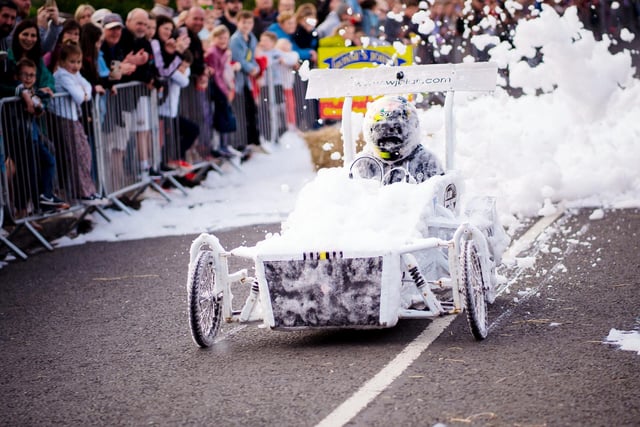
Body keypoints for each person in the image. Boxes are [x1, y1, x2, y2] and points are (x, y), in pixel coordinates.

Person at [9, 58, 68, 212]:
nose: (28, 78)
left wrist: (42, 94)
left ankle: (45, 196)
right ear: (17, 76)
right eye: (25, 75)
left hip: (33, 137)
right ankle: (27, 208)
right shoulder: (18, 93)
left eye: (32, 75)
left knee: (48, 161)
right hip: (21, 138)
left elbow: (39, 110)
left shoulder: (33, 92)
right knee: (28, 175)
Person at [52, 42, 104, 204]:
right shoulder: (62, 75)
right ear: (62, 61)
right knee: (78, 155)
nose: (76, 66)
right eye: (72, 62)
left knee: (85, 153)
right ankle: (82, 191)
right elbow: (80, 97)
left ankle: (87, 189)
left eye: (78, 62)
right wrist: (84, 93)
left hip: (74, 118)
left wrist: (84, 92)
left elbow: (87, 86)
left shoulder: (73, 75)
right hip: (65, 118)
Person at [355, 95, 443, 184]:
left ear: (410, 129)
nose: (387, 136)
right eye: (381, 130)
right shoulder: (364, 163)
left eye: (395, 129)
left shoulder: (426, 162)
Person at [205, 24, 241, 158]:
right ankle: (218, 146)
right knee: (219, 116)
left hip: (223, 87)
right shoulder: (213, 52)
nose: (223, 41)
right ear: (214, 38)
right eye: (220, 38)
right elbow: (217, 74)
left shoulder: (224, 51)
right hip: (217, 88)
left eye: (225, 38)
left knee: (225, 116)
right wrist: (224, 90)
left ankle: (224, 145)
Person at [230, 10, 264, 151]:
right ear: (238, 23)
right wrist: (251, 68)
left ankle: (254, 141)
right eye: (244, 22)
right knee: (241, 110)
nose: (247, 25)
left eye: (249, 22)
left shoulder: (252, 38)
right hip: (237, 80)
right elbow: (238, 59)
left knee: (251, 109)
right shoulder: (236, 39)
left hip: (247, 80)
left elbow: (252, 57)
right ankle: (243, 142)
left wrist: (255, 67)